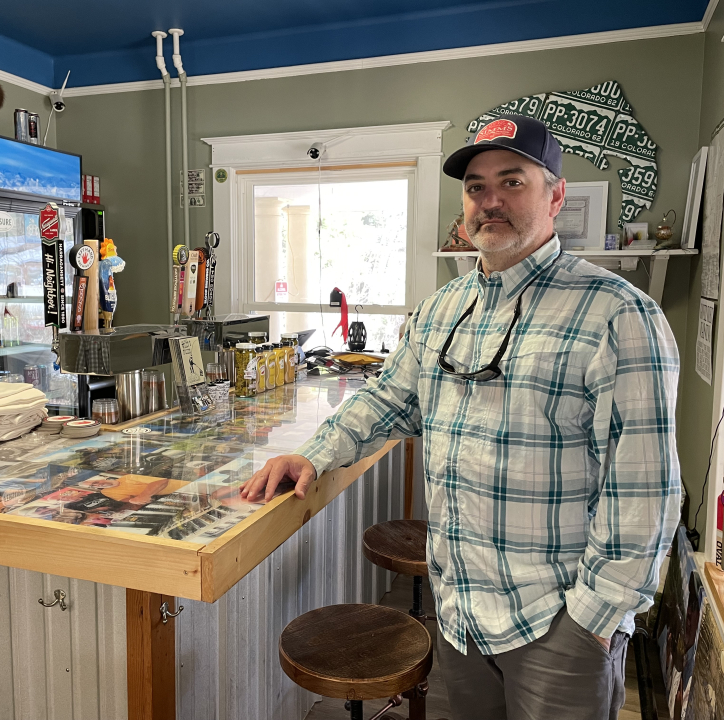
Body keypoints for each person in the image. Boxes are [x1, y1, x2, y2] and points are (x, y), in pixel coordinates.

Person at [240, 114, 680, 720]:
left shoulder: (619, 315)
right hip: (459, 613)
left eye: (512, 181)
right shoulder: (442, 308)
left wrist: (595, 620)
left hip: (557, 621)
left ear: (556, 195)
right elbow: (388, 399)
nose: (489, 200)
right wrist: (315, 452)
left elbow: (645, 488)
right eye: (475, 186)